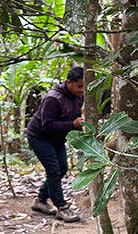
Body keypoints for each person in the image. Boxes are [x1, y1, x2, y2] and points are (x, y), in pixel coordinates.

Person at [27, 66, 85, 222]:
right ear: (69, 82)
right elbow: (47, 125)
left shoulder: (79, 96)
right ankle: (62, 208)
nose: (82, 90)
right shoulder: (53, 99)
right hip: (40, 137)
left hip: (58, 138)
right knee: (53, 170)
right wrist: (72, 125)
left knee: (62, 168)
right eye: (79, 86)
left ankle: (40, 201)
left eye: (84, 86)